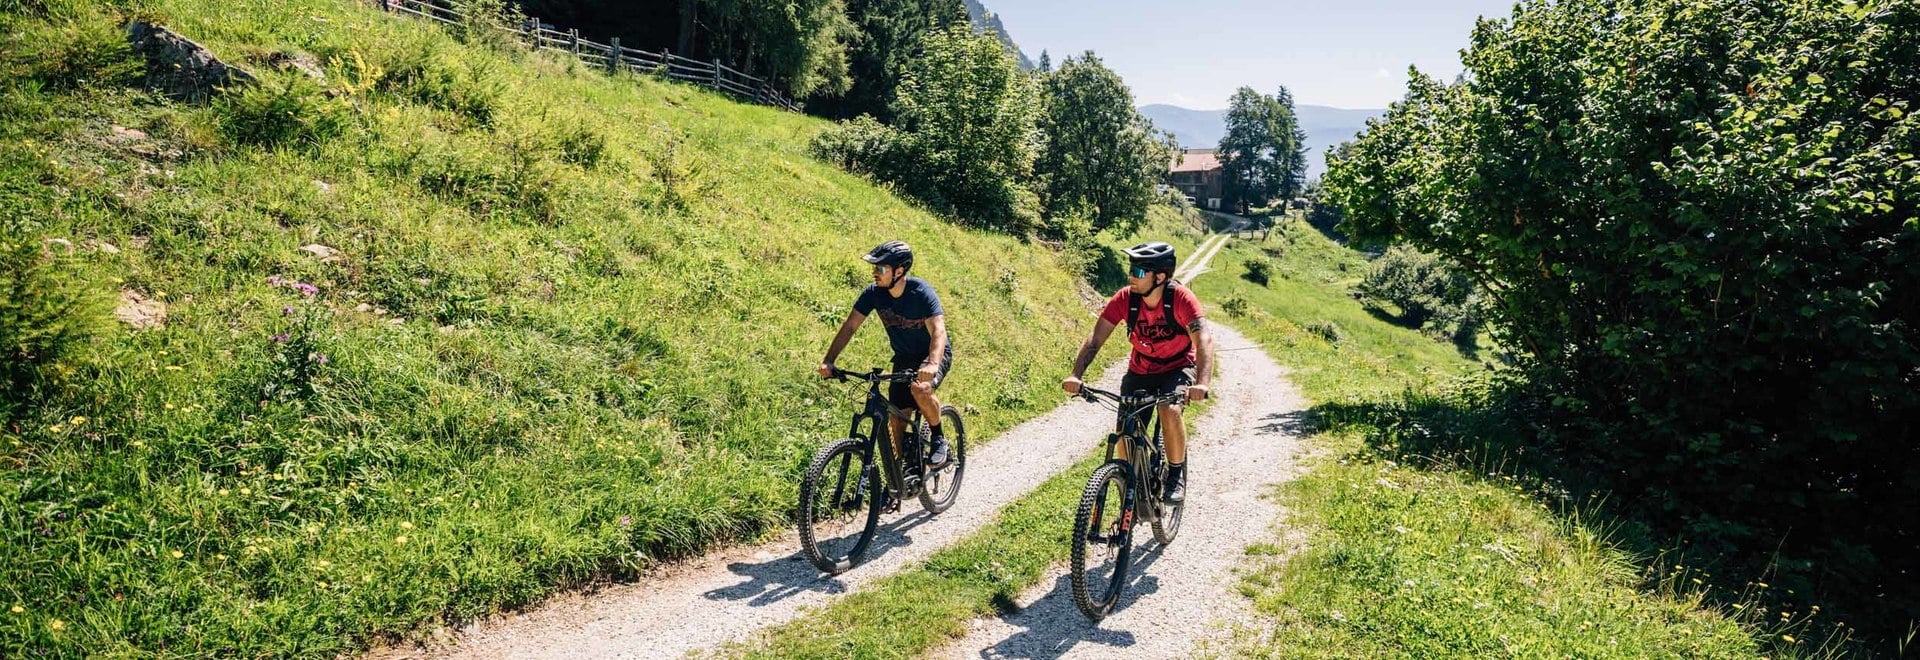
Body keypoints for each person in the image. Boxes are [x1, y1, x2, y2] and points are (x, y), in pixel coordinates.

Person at [1061, 241, 1215, 503]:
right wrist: (1076, 374)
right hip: (1141, 369)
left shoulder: (1181, 299)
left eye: (1140, 271)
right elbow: (1095, 338)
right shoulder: (1125, 299)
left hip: (1177, 367)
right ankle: (1131, 488)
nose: (1131, 275)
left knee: (1169, 409)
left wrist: (1201, 383)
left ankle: (1175, 474)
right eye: (1131, 268)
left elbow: (1203, 341)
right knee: (1125, 432)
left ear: (1161, 276)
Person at [818, 240, 954, 467]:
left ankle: (938, 437)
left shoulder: (921, 293)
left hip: (933, 353)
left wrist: (931, 364)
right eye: (874, 268)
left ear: (899, 272)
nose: (874, 273)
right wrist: (829, 360)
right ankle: (898, 477)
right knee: (896, 418)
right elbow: (850, 326)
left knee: (920, 389)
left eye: (880, 269)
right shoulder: (874, 294)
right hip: (904, 357)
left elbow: (938, 331)